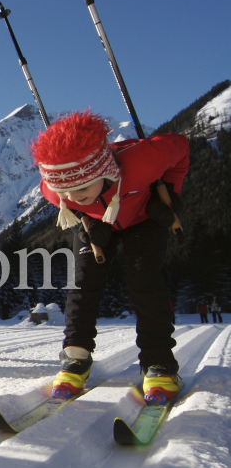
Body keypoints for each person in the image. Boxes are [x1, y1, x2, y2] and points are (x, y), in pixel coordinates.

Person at [32, 111, 189, 405]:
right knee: (83, 284)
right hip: (99, 224)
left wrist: (169, 192)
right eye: (66, 192)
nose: (74, 196)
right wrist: (84, 217)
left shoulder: (144, 161)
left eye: (82, 188)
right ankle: (75, 357)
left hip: (144, 217)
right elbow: (69, 197)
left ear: (104, 172)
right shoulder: (55, 192)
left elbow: (181, 147)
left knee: (144, 283)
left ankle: (158, 362)